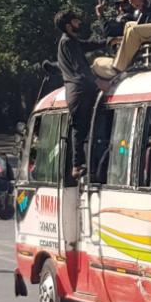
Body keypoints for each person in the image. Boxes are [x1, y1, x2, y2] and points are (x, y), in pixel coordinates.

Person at [55, 10, 109, 179]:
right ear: (68, 25)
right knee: (80, 127)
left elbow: (89, 44)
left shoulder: (73, 42)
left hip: (83, 89)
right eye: (76, 21)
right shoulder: (66, 43)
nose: (79, 23)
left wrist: (108, 41)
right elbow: (80, 68)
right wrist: (97, 81)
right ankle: (77, 166)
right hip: (78, 90)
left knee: (91, 126)